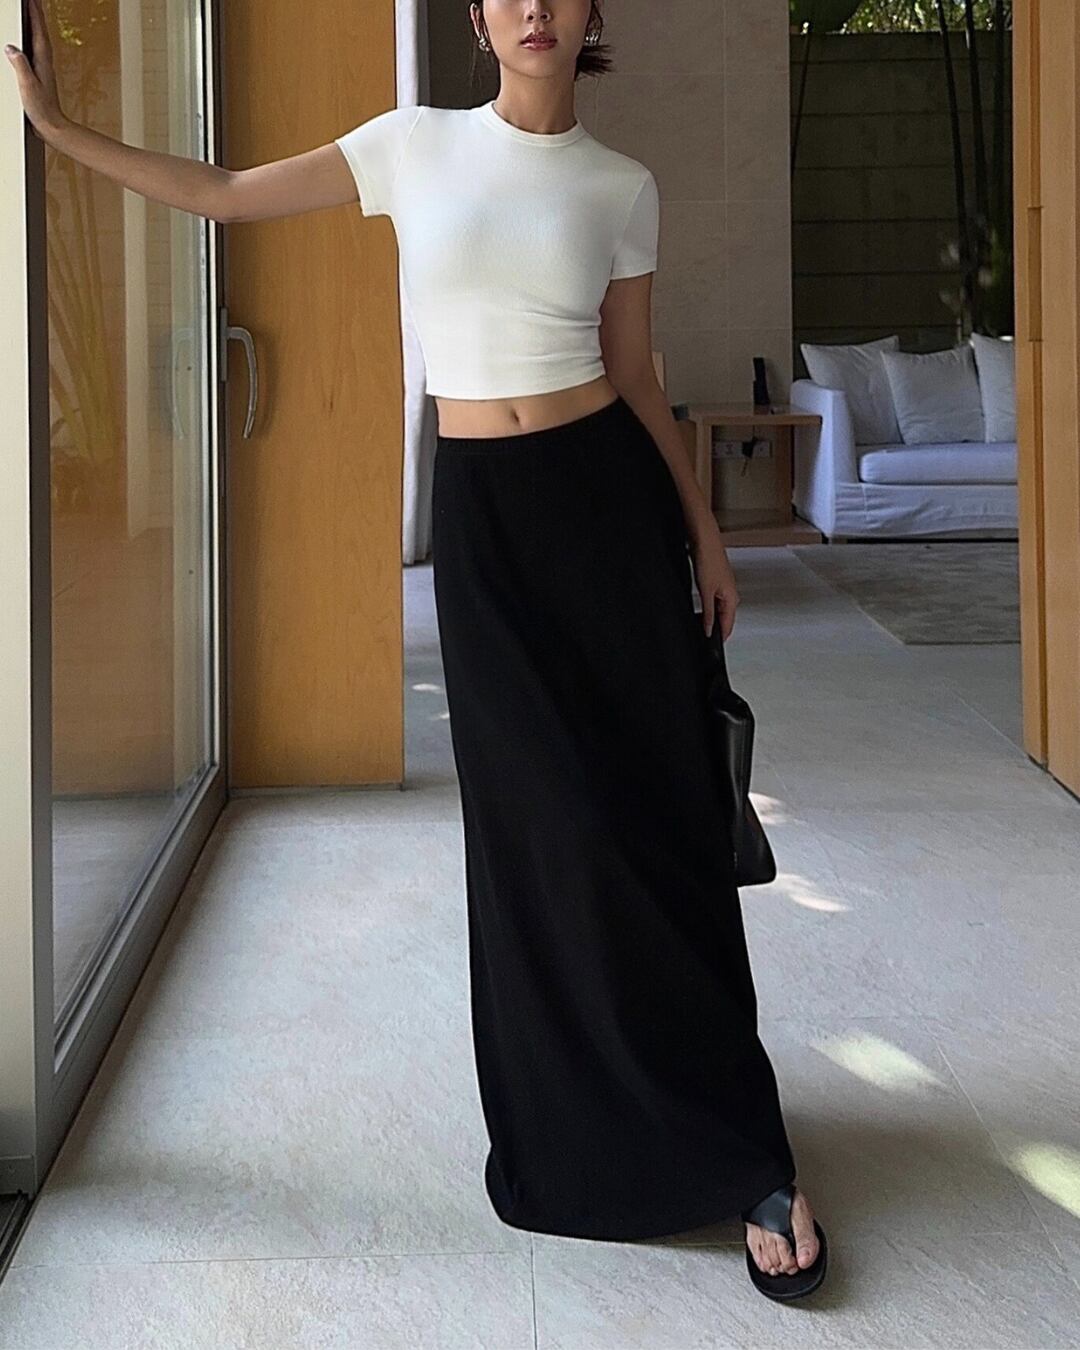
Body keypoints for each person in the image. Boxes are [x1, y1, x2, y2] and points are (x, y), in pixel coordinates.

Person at [6, 0, 827, 1301]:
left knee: (654, 827)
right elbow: (225, 194)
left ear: (590, 12)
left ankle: (745, 1151)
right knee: (532, 831)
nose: (534, 7)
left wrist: (708, 538)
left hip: (609, 515)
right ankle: (582, 1140)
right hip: (491, 522)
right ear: (480, 17)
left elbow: (635, 375)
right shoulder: (411, 144)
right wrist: (60, 131)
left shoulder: (622, 185)